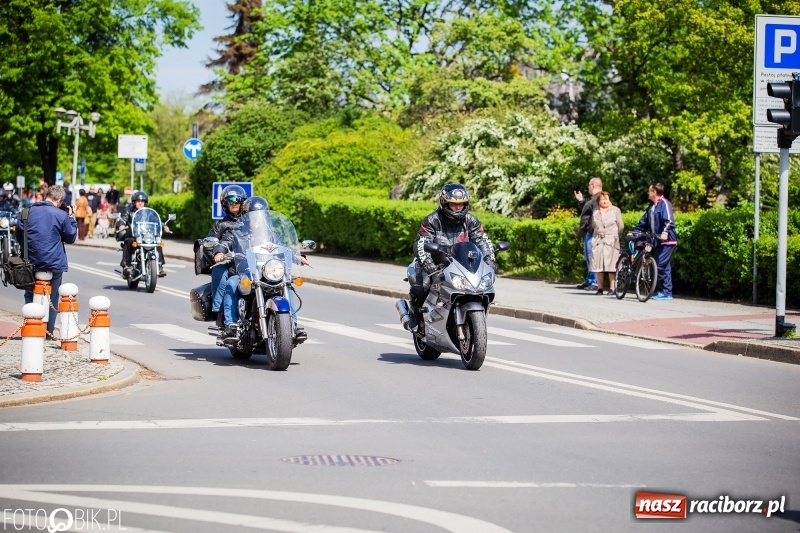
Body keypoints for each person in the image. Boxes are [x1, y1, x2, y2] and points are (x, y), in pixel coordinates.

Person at [406, 183, 495, 331]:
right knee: (423, 285)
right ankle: (414, 313)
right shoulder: (432, 220)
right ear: (445, 203)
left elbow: (483, 241)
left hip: (460, 263)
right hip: (435, 262)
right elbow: (421, 244)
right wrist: (429, 265)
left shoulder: (471, 221)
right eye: (454, 205)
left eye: (461, 204)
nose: (458, 208)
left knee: (480, 287)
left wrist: (489, 261)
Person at [220, 196, 309, 339]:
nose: (257, 219)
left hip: (268, 271)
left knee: (288, 284)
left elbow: (283, 248)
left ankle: (293, 324)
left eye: (260, 215)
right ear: (245, 216)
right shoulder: (237, 233)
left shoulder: (272, 234)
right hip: (246, 271)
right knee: (231, 283)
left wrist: (297, 256)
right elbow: (225, 242)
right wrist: (221, 251)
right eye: (253, 215)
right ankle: (230, 324)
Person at [16, 185, 78, 335]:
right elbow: (71, 237)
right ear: (58, 200)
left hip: (29, 263)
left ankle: (31, 327)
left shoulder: (25, 212)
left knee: (30, 293)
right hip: (54, 263)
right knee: (53, 295)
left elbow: (19, 237)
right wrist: (72, 218)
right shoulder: (61, 215)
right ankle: (48, 331)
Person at [206, 185, 248, 327]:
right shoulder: (221, 224)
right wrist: (217, 252)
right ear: (225, 204)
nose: (234, 204)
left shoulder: (250, 222)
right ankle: (220, 311)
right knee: (220, 270)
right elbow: (213, 242)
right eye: (231, 201)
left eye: (237, 200)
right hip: (229, 261)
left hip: (249, 263)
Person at [634, 182, 677, 300]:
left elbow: (669, 220)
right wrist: (635, 231)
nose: (648, 193)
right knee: (665, 266)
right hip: (657, 241)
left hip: (667, 241)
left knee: (658, 266)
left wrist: (665, 232)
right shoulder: (652, 207)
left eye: (649, 191)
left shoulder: (665, 204)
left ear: (654, 192)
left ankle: (665, 292)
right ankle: (665, 292)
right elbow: (644, 221)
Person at [115, 191, 169, 278]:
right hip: (134, 235)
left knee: (158, 242)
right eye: (138, 201)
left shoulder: (148, 212)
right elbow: (124, 218)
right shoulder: (129, 210)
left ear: (145, 203)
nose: (140, 203)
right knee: (128, 241)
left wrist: (164, 226)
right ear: (134, 202)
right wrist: (121, 224)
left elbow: (156, 220)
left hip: (146, 236)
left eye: (142, 201)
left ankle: (159, 266)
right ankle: (126, 265)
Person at [590, 191, 624, 295]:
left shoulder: (615, 210)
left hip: (611, 240)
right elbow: (593, 225)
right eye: (602, 199)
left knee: (611, 266)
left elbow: (621, 226)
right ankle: (599, 289)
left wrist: (615, 236)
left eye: (607, 199)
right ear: (598, 201)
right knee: (599, 265)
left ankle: (612, 288)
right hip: (599, 240)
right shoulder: (595, 211)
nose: (605, 201)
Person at [574, 177, 602, 291]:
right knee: (589, 258)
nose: (588, 187)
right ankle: (589, 281)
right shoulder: (593, 199)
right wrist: (581, 201)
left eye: (589, 185)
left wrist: (591, 229)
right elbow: (588, 211)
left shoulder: (600, 197)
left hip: (592, 233)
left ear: (593, 185)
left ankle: (595, 282)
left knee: (593, 258)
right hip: (588, 233)